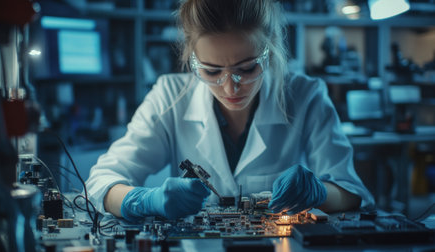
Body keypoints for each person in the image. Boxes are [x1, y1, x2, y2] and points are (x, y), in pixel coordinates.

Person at [86, 0, 374, 221]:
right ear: (192, 58)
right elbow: (101, 181)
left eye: (247, 68)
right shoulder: (169, 96)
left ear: (270, 50)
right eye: (211, 71)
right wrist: (143, 200)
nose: (230, 88)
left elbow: (352, 192)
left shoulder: (305, 96)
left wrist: (321, 192)